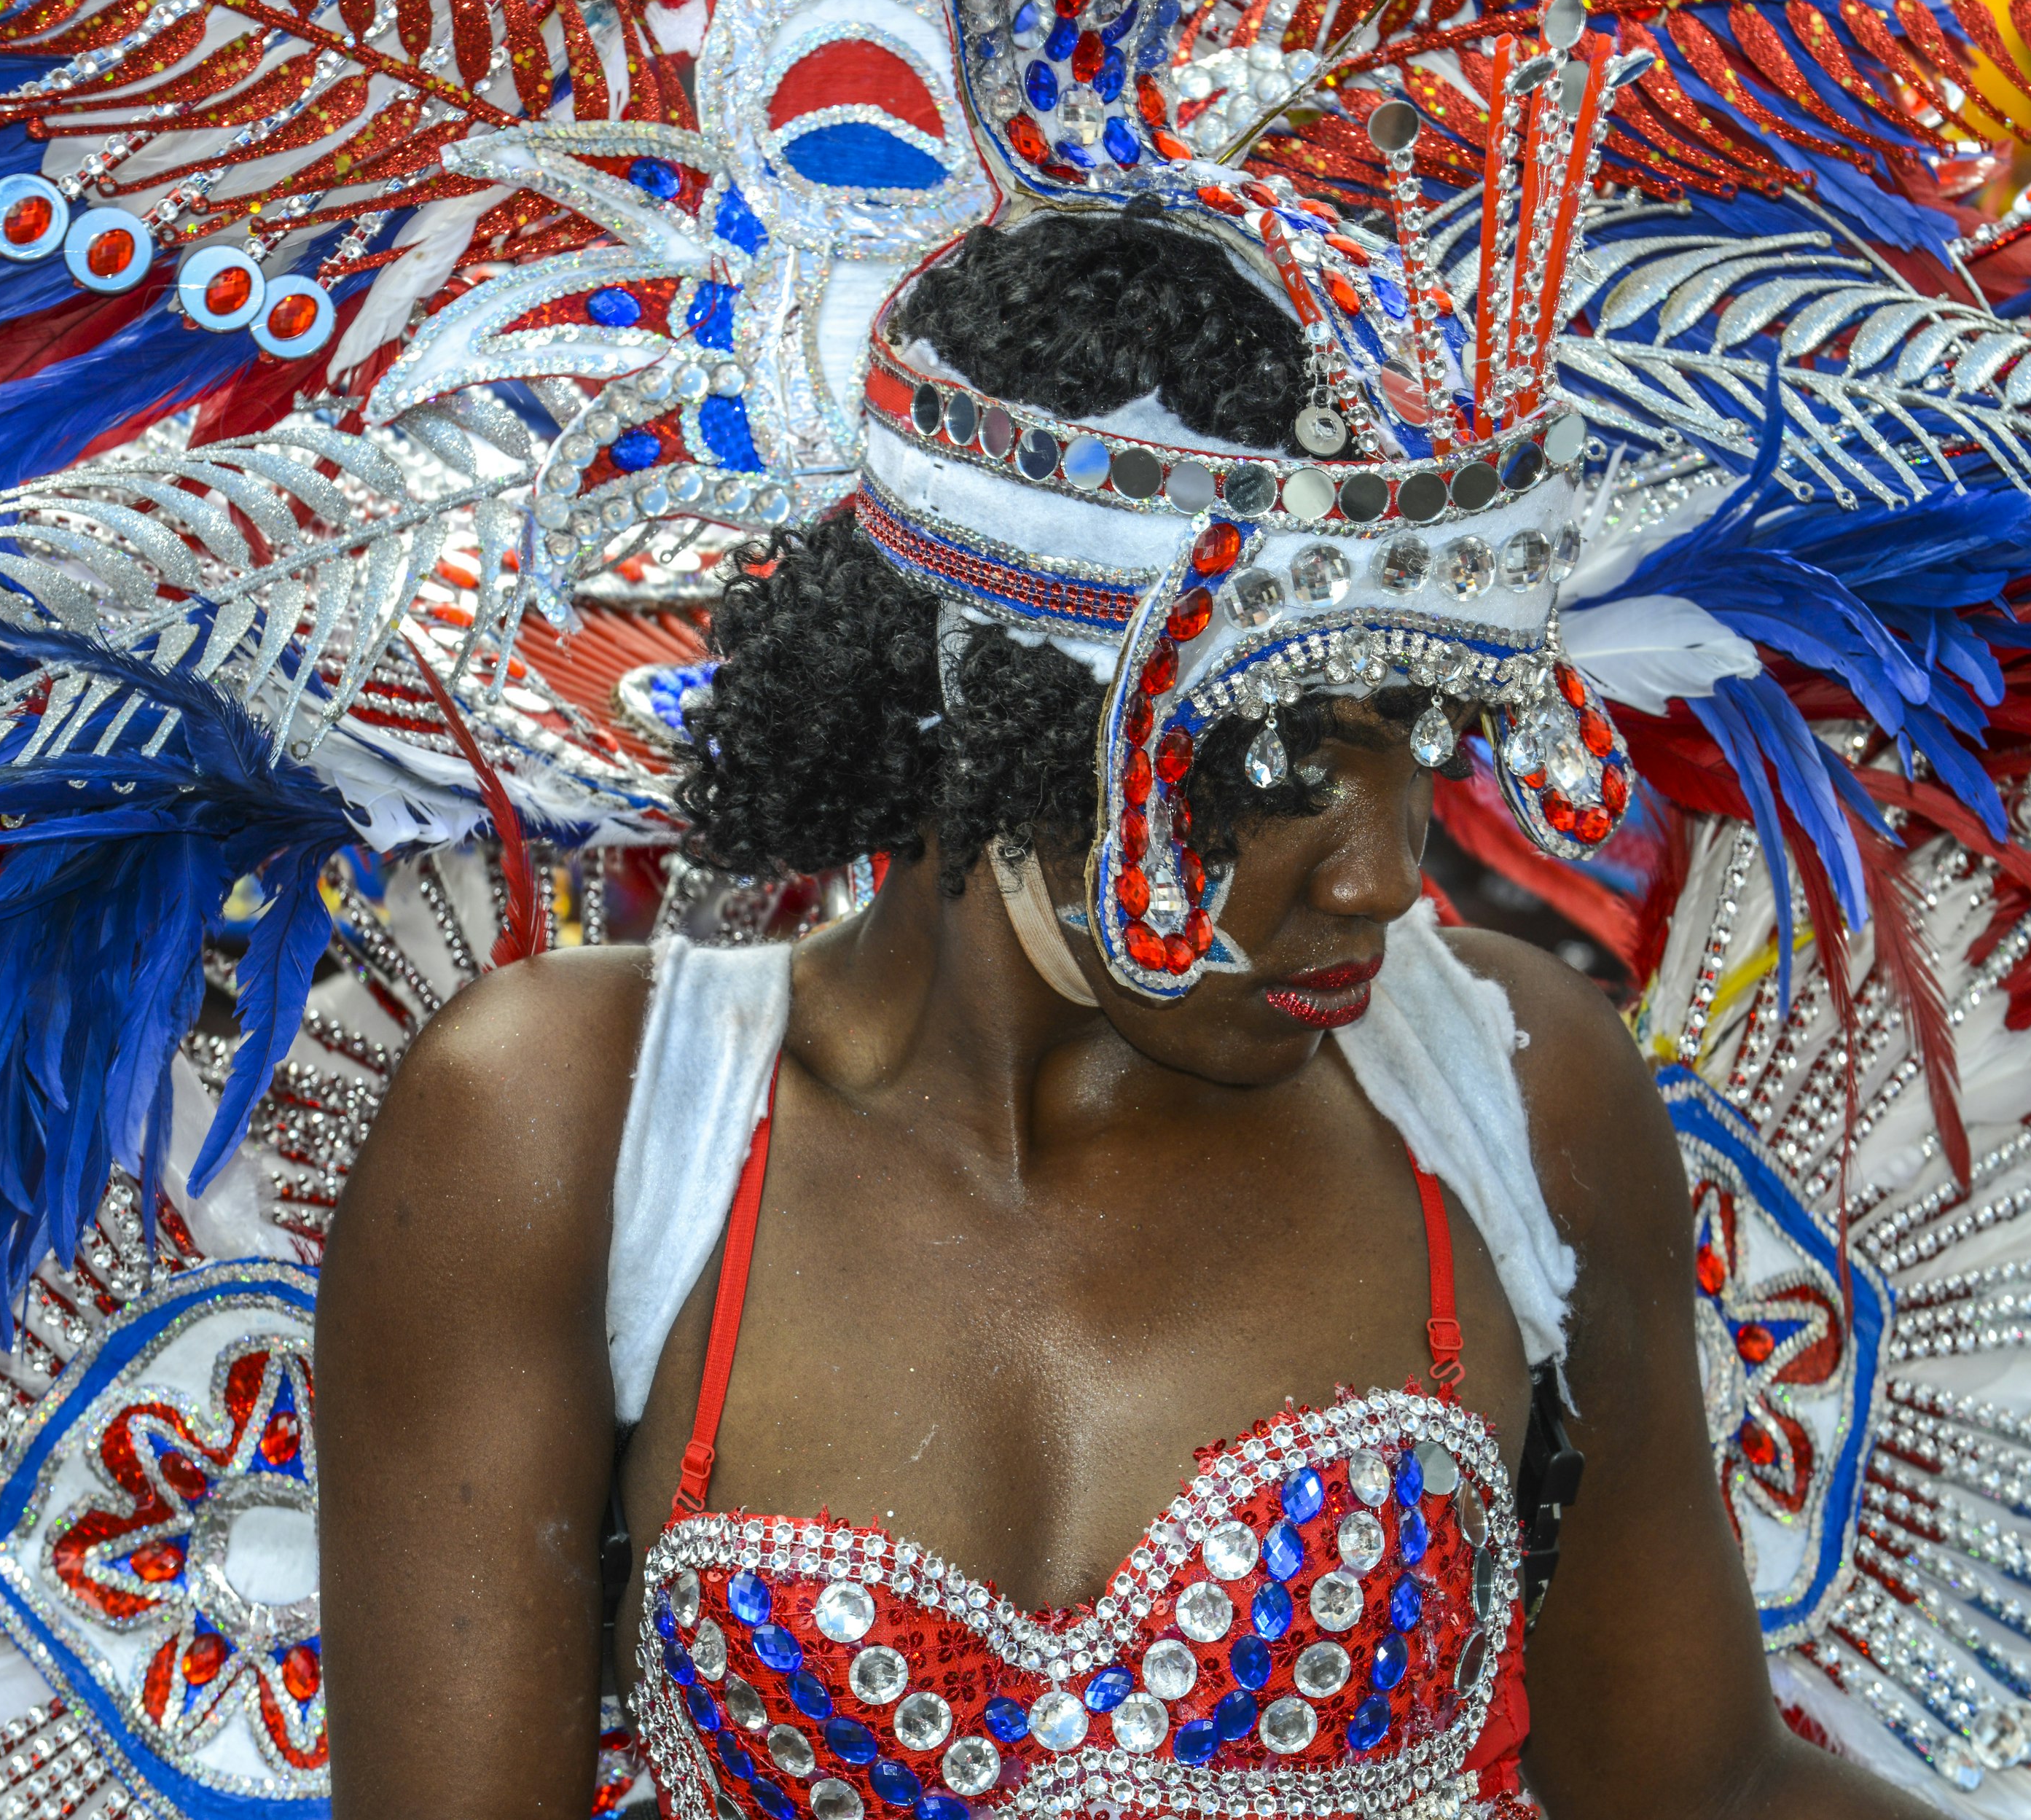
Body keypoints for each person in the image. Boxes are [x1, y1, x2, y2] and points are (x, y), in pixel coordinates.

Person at [315, 211, 1930, 1820]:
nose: (1382, 879)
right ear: (1004, 713)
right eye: (1288, 768)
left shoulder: (1511, 1092)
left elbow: (1699, 1787)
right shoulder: (572, 1128)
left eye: (1422, 748)